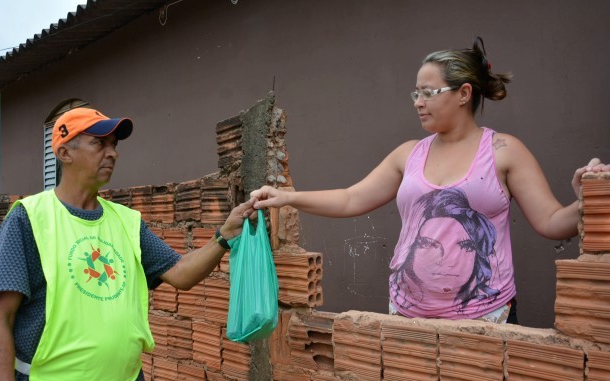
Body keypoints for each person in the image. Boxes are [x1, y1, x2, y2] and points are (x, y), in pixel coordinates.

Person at [250, 37, 609, 323]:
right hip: (408, 316)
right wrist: (287, 197)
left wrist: (587, 203)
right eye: (415, 93)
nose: (418, 102)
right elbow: (350, 198)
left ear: (464, 94)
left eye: (428, 93)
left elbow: (550, 222)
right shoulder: (410, 154)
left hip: (485, 318)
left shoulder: (503, 151)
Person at [0, 107, 255, 381]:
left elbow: (180, 271)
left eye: (114, 145)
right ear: (64, 151)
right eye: (100, 143)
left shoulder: (126, 222)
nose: (112, 153)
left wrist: (224, 236)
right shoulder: (29, 219)